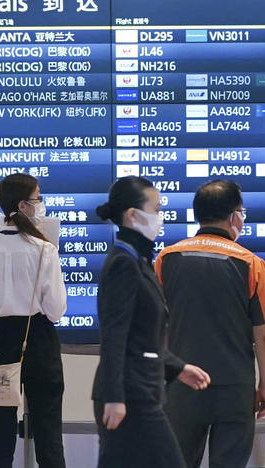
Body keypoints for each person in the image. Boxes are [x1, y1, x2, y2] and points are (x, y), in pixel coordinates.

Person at [155, 180, 265, 468]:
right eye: (241, 212)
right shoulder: (251, 263)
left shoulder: (166, 259)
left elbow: (157, 326)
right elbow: (263, 336)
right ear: (232, 216)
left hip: (181, 385)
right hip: (234, 388)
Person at [92, 176, 211, 468]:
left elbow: (142, 336)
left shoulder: (137, 261)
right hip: (131, 396)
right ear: (133, 215)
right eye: (156, 209)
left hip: (141, 389)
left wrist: (177, 367)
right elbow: (115, 335)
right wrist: (114, 397)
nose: (160, 217)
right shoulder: (124, 263)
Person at [0, 173, 67, 468]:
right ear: (24, 205)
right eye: (39, 198)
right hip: (38, 336)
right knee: (48, 433)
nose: (42, 204)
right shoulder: (44, 249)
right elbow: (56, 310)